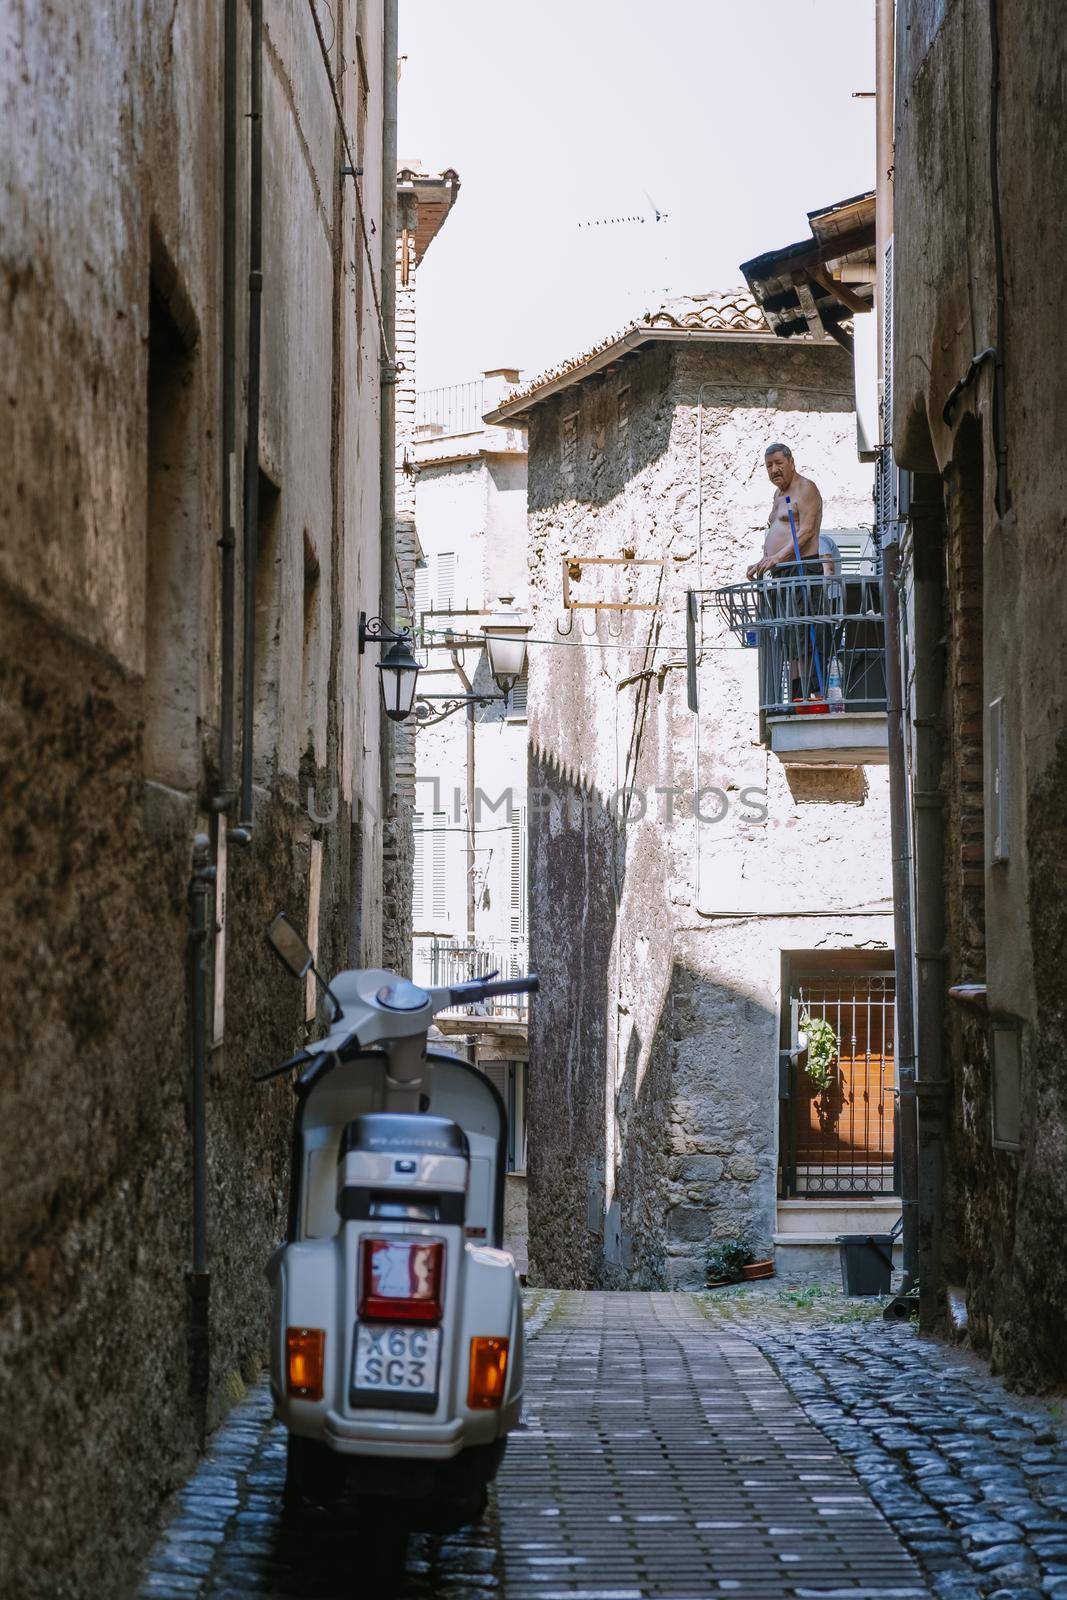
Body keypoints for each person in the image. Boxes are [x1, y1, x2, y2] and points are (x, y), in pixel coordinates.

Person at [746, 443, 824, 580]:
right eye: (769, 465)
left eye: (778, 463)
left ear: (792, 463)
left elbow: (807, 531)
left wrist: (777, 557)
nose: (774, 470)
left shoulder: (805, 488)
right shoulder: (778, 494)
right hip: (779, 570)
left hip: (801, 569)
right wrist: (763, 562)